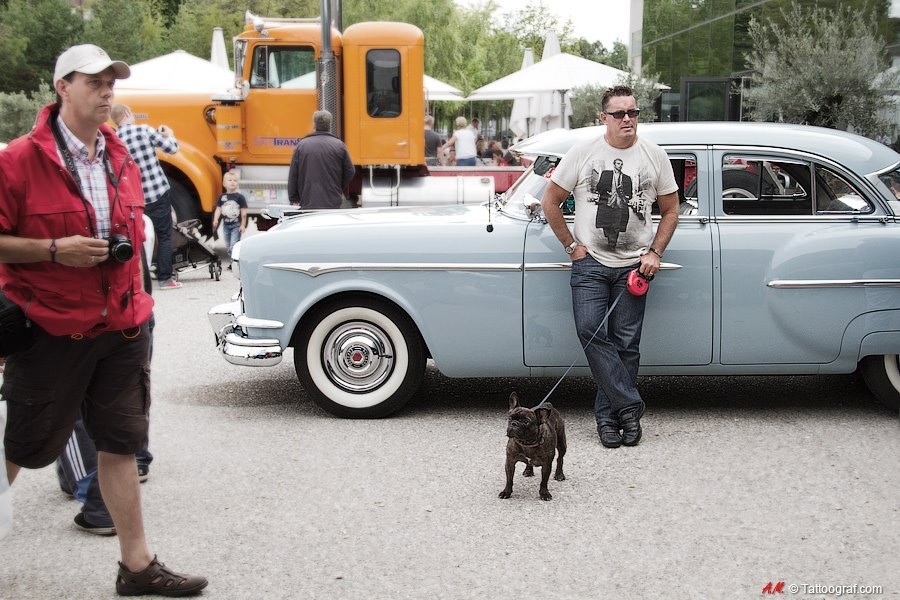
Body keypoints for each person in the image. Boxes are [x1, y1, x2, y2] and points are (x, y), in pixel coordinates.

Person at [0, 43, 207, 596]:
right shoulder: (17, 160)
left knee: (121, 443)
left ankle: (136, 567)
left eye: (111, 80)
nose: (106, 89)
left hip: (121, 328)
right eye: (93, 81)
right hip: (49, 330)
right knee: (20, 448)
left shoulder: (120, 155)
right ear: (62, 87)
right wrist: (52, 250)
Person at [540, 85, 679, 450]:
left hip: (635, 265)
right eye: (619, 114)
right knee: (589, 329)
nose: (628, 119)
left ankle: (610, 417)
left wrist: (655, 252)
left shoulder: (654, 156)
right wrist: (571, 245)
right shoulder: (583, 152)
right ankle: (630, 405)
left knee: (627, 344)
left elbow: (671, 209)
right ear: (604, 118)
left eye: (633, 112)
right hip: (590, 265)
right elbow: (550, 201)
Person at [56, 216, 157, 536]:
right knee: (125, 406)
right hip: (133, 311)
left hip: (91, 317)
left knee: (65, 412)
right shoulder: (134, 210)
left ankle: (94, 495)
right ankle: (135, 462)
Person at [111, 103, 182, 290]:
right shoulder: (143, 130)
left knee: (139, 236)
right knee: (164, 235)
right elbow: (172, 148)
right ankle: (165, 279)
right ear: (127, 113)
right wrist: (170, 134)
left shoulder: (115, 139)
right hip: (157, 192)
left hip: (134, 197)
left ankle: (141, 276)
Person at [288, 110, 355, 209]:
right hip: (332, 202)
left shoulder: (302, 145)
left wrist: (294, 198)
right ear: (329, 125)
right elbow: (350, 171)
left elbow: (293, 174)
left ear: (314, 125)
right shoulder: (339, 145)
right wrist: (337, 187)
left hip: (307, 202)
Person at [212, 170, 248, 268]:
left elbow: (243, 212)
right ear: (224, 183)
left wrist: (243, 225)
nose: (232, 182)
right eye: (230, 180)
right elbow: (218, 209)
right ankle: (231, 262)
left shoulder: (240, 197)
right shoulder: (222, 197)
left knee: (233, 245)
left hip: (236, 225)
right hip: (226, 226)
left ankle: (235, 263)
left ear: (238, 183)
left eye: (235, 180)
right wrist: (215, 220)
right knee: (228, 246)